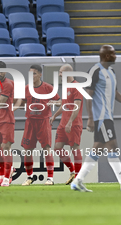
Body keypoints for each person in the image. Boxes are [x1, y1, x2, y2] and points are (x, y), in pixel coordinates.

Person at [71, 45, 121, 192]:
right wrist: (91, 118)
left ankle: (77, 181)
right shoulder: (95, 70)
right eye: (113, 54)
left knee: (97, 150)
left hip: (108, 117)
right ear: (106, 56)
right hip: (101, 117)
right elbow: (88, 94)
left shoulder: (111, 72)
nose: (115, 56)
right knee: (113, 148)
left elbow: (116, 93)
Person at [20, 65, 60, 186]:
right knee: (27, 151)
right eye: (30, 74)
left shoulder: (48, 87)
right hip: (30, 121)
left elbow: (60, 102)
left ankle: (50, 178)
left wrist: (54, 102)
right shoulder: (26, 88)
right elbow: (21, 103)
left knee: (47, 149)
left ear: (40, 74)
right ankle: (29, 177)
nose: (32, 76)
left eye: (34, 74)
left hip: (43, 121)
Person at [0, 61, 21, 186]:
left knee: (6, 149)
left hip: (6, 121)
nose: (0, 73)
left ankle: (7, 178)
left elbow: (0, 102)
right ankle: (1, 176)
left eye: (2, 71)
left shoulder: (8, 84)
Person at [50, 64, 83, 184]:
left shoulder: (77, 87)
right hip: (63, 124)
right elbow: (64, 105)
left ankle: (78, 177)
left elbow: (77, 106)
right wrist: (54, 115)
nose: (59, 75)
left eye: (61, 72)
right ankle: (73, 171)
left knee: (75, 149)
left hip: (73, 124)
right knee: (57, 148)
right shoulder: (65, 87)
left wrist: (70, 122)